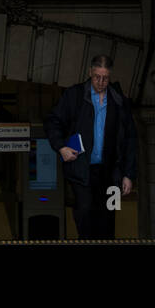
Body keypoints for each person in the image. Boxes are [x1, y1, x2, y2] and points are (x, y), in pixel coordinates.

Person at [43, 54, 138, 240]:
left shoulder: (119, 101)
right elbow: (53, 121)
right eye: (97, 77)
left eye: (105, 78)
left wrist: (128, 174)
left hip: (111, 172)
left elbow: (130, 139)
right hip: (81, 169)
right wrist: (61, 147)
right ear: (90, 73)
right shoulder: (75, 95)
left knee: (109, 217)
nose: (101, 82)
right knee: (85, 214)